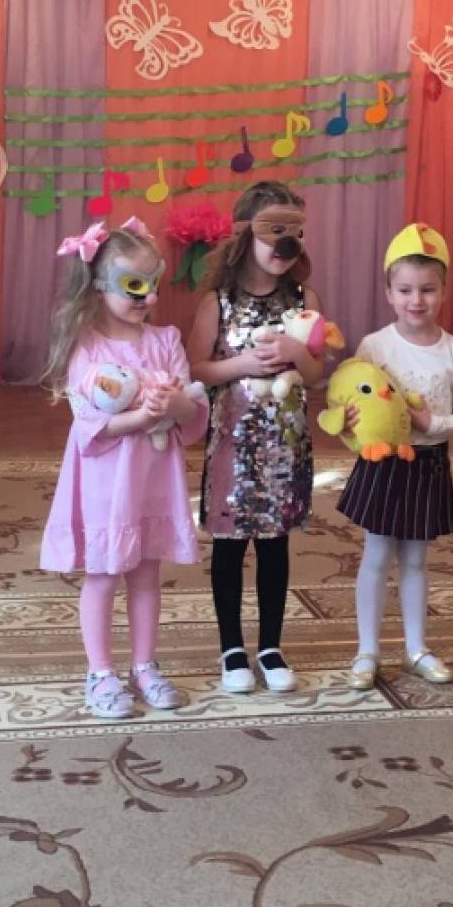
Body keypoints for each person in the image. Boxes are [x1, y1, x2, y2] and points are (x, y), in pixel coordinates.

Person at [41, 216, 208, 718]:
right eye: (134, 286)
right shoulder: (87, 346)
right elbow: (91, 424)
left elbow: (192, 410)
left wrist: (173, 404)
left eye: (153, 283)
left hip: (152, 481)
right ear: (100, 284)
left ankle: (144, 665)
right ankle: (100, 672)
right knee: (102, 574)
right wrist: (142, 416)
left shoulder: (165, 341)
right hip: (105, 483)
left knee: (146, 572)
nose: (148, 297)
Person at [188, 181, 324, 695]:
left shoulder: (304, 300)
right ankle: (231, 647)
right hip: (232, 446)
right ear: (246, 234)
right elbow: (196, 368)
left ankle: (270, 646)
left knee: (274, 545)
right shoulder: (218, 302)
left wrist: (296, 350)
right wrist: (242, 364)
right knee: (229, 547)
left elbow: (316, 375)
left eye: (296, 232)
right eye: (274, 231)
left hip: (284, 447)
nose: (286, 244)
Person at [337, 223, 453, 690]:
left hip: (429, 463)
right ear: (389, 293)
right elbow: (349, 399)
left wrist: (431, 424)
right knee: (377, 554)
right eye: (404, 290)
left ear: (443, 291)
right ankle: (367, 650)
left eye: (427, 289)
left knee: (416, 560)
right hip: (382, 463)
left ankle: (417, 648)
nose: (416, 300)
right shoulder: (375, 346)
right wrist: (351, 422)